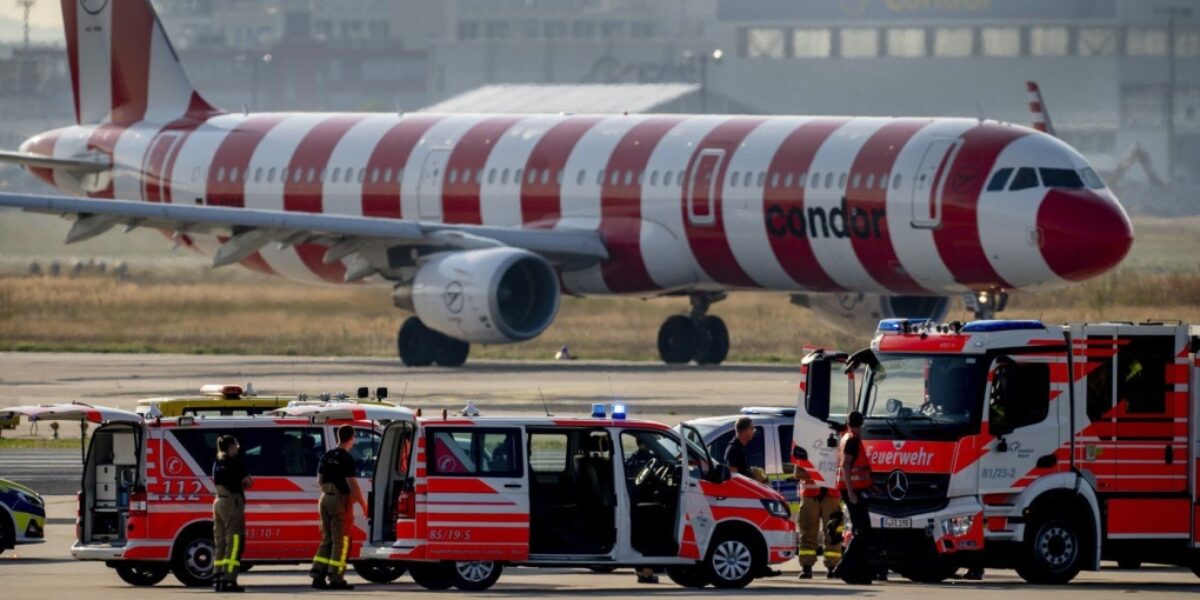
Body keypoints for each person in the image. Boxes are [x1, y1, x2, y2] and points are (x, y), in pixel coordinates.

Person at [310, 425, 369, 590]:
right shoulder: (346, 458)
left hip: (324, 499)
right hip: (338, 500)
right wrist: (364, 505)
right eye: (354, 437)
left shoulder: (327, 455)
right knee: (341, 541)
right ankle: (336, 578)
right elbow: (353, 485)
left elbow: (320, 480)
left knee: (327, 539)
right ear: (351, 438)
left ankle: (318, 575)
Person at [831, 411, 877, 585]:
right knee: (863, 531)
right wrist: (851, 492)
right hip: (853, 491)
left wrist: (871, 485)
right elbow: (846, 466)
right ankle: (844, 567)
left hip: (855, 489)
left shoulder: (845, 437)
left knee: (863, 531)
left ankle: (858, 571)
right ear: (862, 423)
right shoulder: (853, 440)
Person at [212, 435, 253, 593]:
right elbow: (249, 482)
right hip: (232, 502)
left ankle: (218, 578)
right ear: (230, 447)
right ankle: (229, 580)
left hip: (218, 501)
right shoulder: (234, 462)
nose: (238, 447)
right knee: (234, 542)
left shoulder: (217, 462)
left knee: (220, 543)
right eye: (236, 445)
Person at [795, 468, 842, 579]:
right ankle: (806, 567)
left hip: (831, 495)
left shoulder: (838, 450)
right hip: (810, 495)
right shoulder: (805, 451)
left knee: (833, 533)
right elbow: (797, 474)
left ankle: (833, 567)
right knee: (807, 532)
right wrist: (820, 472)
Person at [724, 417, 767, 483]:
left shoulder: (741, 447)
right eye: (752, 429)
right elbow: (733, 476)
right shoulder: (734, 450)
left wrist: (752, 472)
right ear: (744, 431)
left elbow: (742, 470)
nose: (754, 431)